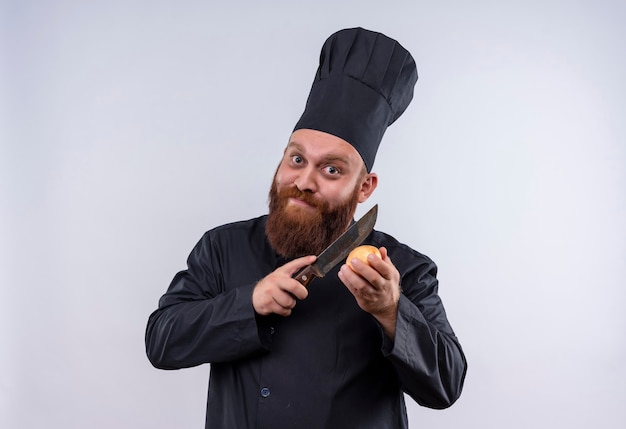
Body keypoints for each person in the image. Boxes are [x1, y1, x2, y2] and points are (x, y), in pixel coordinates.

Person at [146, 27, 467, 429]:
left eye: (332, 169)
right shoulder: (222, 247)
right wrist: (249, 304)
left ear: (364, 187)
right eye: (297, 160)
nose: (305, 181)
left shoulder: (402, 270)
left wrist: (391, 310)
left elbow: (447, 386)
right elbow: (161, 342)